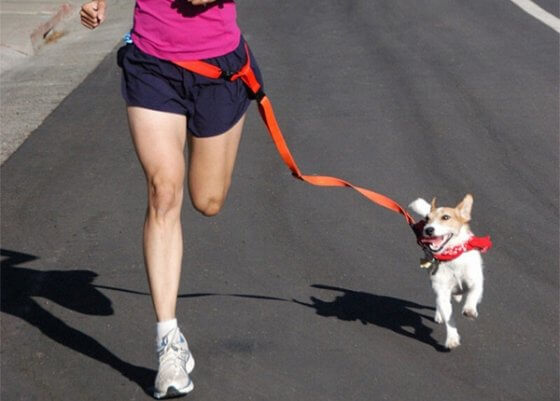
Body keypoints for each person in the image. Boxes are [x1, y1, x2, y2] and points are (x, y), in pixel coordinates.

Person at [80, 0, 263, 398]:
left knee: (208, 200)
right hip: (151, 63)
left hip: (218, 68)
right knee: (163, 190)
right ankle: (168, 344)